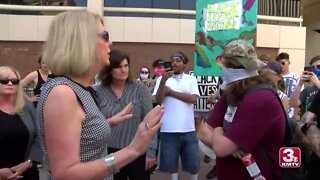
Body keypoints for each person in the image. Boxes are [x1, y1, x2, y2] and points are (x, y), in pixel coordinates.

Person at [36, 11, 163, 180]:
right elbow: (65, 174)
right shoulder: (62, 93)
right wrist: (133, 149)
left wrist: (108, 122)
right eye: (105, 35)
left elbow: (81, 135)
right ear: (82, 42)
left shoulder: (77, 88)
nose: (110, 42)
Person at [205, 39, 286, 179]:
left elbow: (220, 148)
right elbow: (203, 132)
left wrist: (218, 130)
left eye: (224, 64)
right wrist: (230, 145)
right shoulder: (232, 92)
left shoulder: (261, 99)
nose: (222, 68)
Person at [95, 50, 157, 180]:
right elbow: (94, 124)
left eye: (126, 66)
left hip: (138, 150)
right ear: (109, 70)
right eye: (118, 66)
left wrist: (151, 152)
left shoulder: (139, 88)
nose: (123, 70)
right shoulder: (98, 91)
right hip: (110, 153)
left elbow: (150, 121)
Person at [153, 51, 200, 180]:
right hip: (168, 128)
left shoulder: (191, 79)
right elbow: (158, 100)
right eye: (172, 60)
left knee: (193, 162)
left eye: (178, 60)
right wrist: (163, 81)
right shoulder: (161, 79)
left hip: (188, 128)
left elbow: (192, 99)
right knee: (170, 162)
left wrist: (171, 92)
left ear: (184, 64)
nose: (174, 62)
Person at [0, 66, 42, 180]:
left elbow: (38, 137)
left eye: (14, 81)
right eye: (4, 80)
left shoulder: (27, 107)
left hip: (27, 174)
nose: (10, 83)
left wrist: (29, 162)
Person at [289, 55, 320, 122]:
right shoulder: (308, 89)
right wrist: (300, 84)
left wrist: (317, 83)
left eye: (319, 66)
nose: (316, 69)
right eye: (313, 68)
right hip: (307, 127)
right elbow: (293, 104)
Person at [276, 52, 300, 118]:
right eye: (279, 63)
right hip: (278, 113)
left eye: (283, 63)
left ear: (289, 63)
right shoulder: (274, 77)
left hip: (291, 115)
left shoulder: (296, 77)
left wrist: (295, 117)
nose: (281, 65)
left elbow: (299, 97)